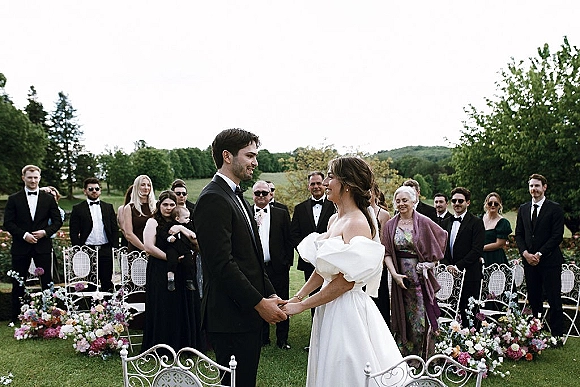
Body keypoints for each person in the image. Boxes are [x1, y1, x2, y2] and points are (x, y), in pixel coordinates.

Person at [282, 157, 403, 387]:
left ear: (346, 183)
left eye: (330, 176)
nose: (326, 182)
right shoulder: (334, 219)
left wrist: (304, 305)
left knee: (346, 370)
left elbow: (345, 282)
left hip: (347, 310)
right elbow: (323, 268)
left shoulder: (357, 223)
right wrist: (297, 296)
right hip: (330, 306)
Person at [193, 128, 287, 387]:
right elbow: (222, 264)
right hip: (228, 317)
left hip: (244, 315)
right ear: (227, 156)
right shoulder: (213, 198)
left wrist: (270, 294)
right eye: (249, 155)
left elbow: (252, 259)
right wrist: (258, 303)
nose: (255, 162)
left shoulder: (239, 198)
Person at [382, 185, 447, 358]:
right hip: (399, 278)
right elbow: (386, 253)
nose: (401, 204)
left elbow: (442, 237)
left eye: (405, 200)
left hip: (419, 279)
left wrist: (429, 264)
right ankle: (404, 355)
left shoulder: (424, 222)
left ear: (414, 201)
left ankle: (423, 355)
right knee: (402, 315)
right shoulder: (389, 225)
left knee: (420, 317)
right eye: (398, 201)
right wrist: (394, 274)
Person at [142, 190, 200, 352]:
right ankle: (163, 346)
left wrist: (182, 230)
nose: (168, 208)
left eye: (172, 204)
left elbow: (196, 245)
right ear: (159, 205)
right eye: (165, 204)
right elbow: (148, 247)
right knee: (165, 306)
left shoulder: (184, 222)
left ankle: (186, 345)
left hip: (184, 270)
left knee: (183, 305)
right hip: (161, 269)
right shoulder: (153, 222)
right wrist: (170, 259)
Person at [3, 165, 63, 322]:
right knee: (18, 282)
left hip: (42, 246)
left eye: (36, 177)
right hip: (21, 247)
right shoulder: (14, 199)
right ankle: (16, 317)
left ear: (40, 178)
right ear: (23, 178)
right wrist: (24, 235)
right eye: (30, 177)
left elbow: (57, 221)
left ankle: (49, 315)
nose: (33, 180)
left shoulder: (48, 199)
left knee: (47, 282)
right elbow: (8, 223)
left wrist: (45, 232)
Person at [515, 174, 564, 338]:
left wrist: (539, 254)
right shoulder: (523, 208)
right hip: (529, 262)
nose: (533, 189)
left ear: (544, 187)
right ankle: (535, 332)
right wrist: (525, 254)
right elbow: (519, 235)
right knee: (534, 298)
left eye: (537, 186)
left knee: (553, 298)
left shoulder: (555, 208)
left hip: (550, 261)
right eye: (531, 186)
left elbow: (557, 236)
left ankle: (557, 334)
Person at [252, 180, 294, 350]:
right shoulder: (247, 213)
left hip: (278, 267)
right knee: (258, 300)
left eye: (264, 192)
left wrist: (286, 263)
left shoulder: (280, 213)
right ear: (253, 195)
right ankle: (262, 339)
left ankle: (282, 340)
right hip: (255, 267)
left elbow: (288, 240)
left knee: (282, 301)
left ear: (270, 194)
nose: (261, 196)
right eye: (257, 193)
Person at [290, 171, 336, 318]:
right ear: (308, 186)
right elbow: (294, 234)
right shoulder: (300, 208)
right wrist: (306, 252)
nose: (316, 186)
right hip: (309, 262)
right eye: (312, 184)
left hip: (331, 261)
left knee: (331, 297)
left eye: (318, 183)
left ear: (324, 184)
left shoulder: (335, 206)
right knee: (313, 297)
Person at [441, 187, 484, 328]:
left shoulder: (476, 222)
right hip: (450, 274)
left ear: (468, 203)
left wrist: (458, 266)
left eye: (461, 201)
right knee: (452, 310)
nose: (457, 203)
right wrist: (447, 265)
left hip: (470, 273)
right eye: (454, 200)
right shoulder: (445, 222)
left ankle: (473, 342)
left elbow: (477, 250)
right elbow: (441, 248)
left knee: (470, 311)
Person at [69, 178, 119, 292]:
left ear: (100, 190)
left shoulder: (108, 207)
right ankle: (92, 308)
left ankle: (108, 307)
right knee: (91, 282)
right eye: (90, 189)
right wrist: (78, 249)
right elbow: (73, 232)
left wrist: (114, 247)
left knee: (107, 281)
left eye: (97, 189)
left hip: (106, 248)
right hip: (88, 249)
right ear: (85, 191)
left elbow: (114, 229)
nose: (94, 191)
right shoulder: (78, 209)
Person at [370, 182, 392, 326]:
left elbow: (384, 244)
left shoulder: (383, 215)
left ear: (376, 193)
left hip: (378, 266)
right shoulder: (358, 213)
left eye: (369, 191)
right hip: (360, 267)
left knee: (380, 302)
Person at [164, 206, 197, 292]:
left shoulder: (188, 225)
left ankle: (189, 280)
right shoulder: (171, 225)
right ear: (177, 218)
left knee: (189, 261)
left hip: (184, 248)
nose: (188, 219)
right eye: (186, 218)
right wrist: (169, 238)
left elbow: (193, 234)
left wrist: (192, 234)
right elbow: (164, 233)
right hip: (173, 247)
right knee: (172, 260)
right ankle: (170, 279)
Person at [122, 175, 155, 252]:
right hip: (136, 250)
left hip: (155, 250)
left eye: (148, 185)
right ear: (137, 187)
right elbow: (129, 234)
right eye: (143, 185)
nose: (146, 187)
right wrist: (145, 249)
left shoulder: (156, 206)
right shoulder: (129, 207)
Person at [482, 192, 512, 265]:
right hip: (479, 257)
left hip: (495, 258)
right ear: (486, 204)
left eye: (496, 203)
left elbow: (499, 244)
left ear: (499, 205)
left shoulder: (503, 223)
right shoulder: (479, 219)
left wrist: (480, 248)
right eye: (490, 203)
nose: (493, 205)